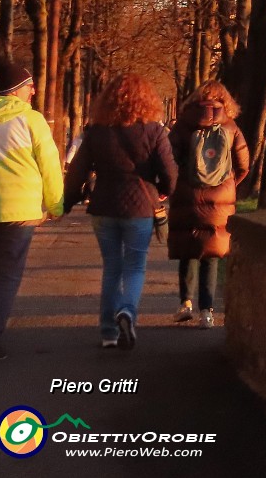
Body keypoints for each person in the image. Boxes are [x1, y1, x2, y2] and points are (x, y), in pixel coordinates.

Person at [64, 73, 177, 349]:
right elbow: (170, 172)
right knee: (135, 265)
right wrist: (162, 190)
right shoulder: (154, 131)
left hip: (104, 206)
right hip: (140, 207)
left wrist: (67, 201)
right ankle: (127, 310)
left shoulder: (96, 132)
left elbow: (77, 171)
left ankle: (107, 332)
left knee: (111, 267)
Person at [0, 59, 62, 364]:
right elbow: (49, 166)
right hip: (18, 210)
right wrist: (56, 203)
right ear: (18, 90)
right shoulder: (31, 120)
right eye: (30, 85)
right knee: (7, 275)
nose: (34, 91)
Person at [168, 81, 250, 328]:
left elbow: (169, 158)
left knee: (189, 251)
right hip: (220, 200)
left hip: (187, 197)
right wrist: (229, 183)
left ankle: (186, 303)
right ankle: (208, 311)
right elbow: (244, 164)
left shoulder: (183, 125)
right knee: (212, 255)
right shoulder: (231, 127)